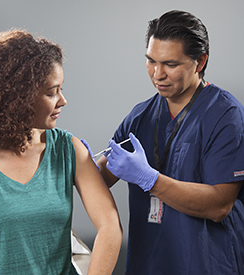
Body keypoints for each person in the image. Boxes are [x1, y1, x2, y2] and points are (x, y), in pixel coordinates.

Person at [0, 29, 122, 275]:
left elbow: (109, 225)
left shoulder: (68, 148)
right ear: (17, 98)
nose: (63, 101)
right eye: (52, 92)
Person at [86, 10, 244, 274]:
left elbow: (220, 205)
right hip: (148, 263)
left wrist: (151, 180)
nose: (157, 74)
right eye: (151, 61)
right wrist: (77, 163)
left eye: (171, 64)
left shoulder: (224, 115)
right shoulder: (140, 116)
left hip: (205, 264)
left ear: (200, 61)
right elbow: (99, 178)